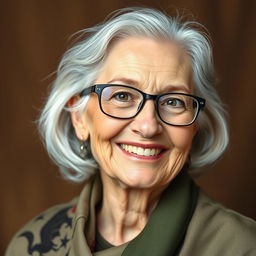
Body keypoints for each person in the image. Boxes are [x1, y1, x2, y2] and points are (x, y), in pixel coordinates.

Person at [5, 7, 256, 256]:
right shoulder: (32, 245)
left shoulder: (241, 247)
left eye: (173, 102)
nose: (148, 126)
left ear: (195, 125)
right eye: (122, 96)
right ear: (80, 118)